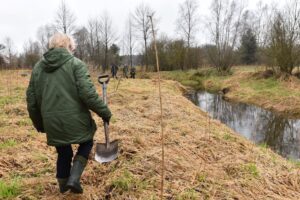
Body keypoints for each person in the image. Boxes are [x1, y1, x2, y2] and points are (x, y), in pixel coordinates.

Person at [26, 33, 112, 194]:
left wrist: (40, 124)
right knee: (86, 142)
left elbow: (31, 100)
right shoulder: (75, 64)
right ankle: (74, 178)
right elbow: (88, 94)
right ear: (69, 47)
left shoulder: (38, 68)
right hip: (76, 119)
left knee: (63, 151)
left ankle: (63, 186)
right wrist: (104, 112)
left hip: (52, 122)